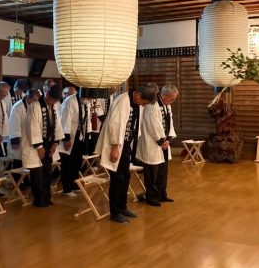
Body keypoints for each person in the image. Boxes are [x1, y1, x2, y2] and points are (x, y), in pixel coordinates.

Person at [95, 83, 159, 223]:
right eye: (144, 102)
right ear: (138, 95)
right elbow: (115, 125)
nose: (143, 106)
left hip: (126, 144)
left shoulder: (135, 102)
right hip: (116, 144)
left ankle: (122, 206)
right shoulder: (122, 101)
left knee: (125, 176)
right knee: (117, 178)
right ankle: (115, 212)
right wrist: (115, 148)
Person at [138, 85, 178, 206]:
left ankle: (161, 194)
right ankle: (151, 196)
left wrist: (169, 139)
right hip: (153, 143)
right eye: (171, 99)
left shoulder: (167, 105)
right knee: (151, 172)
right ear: (164, 95)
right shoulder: (152, 105)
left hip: (164, 143)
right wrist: (161, 141)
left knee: (162, 171)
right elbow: (152, 125)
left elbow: (170, 122)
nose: (173, 101)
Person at [26, 85, 63, 207]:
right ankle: (38, 200)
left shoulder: (54, 106)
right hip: (37, 145)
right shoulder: (35, 106)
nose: (54, 102)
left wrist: (55, 143)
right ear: (47, 95)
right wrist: (39, 146)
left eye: (56, 101)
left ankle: (47, 197)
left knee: (47, 172)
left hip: (49, 143)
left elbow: (57, 125)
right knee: (37, 173)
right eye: (53, 100)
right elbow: (33, 126)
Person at [58, 88, 92, 197]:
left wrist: (88, 134)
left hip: (79, 135)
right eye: (89, 98)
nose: (90, 100)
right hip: (69, 136)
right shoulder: (69, 101)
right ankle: (66, 188)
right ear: (83, 95)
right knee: (67, 163)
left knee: (77, 162)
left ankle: (73, 184)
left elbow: (86, 119)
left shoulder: (85, 103)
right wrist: (66, 139)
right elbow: (65, 121)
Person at [9, 88, 40, 175]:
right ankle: (17, 182)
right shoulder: (18, 107)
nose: (35, 102)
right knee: (18, 161)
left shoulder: (34, 106)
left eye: (36, 100)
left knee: (29, 160)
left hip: (30, 138)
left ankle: (26, 180)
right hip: (20, 138)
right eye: (34, 100)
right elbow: (14, 125)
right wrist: (15, 141)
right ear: (27, 97)